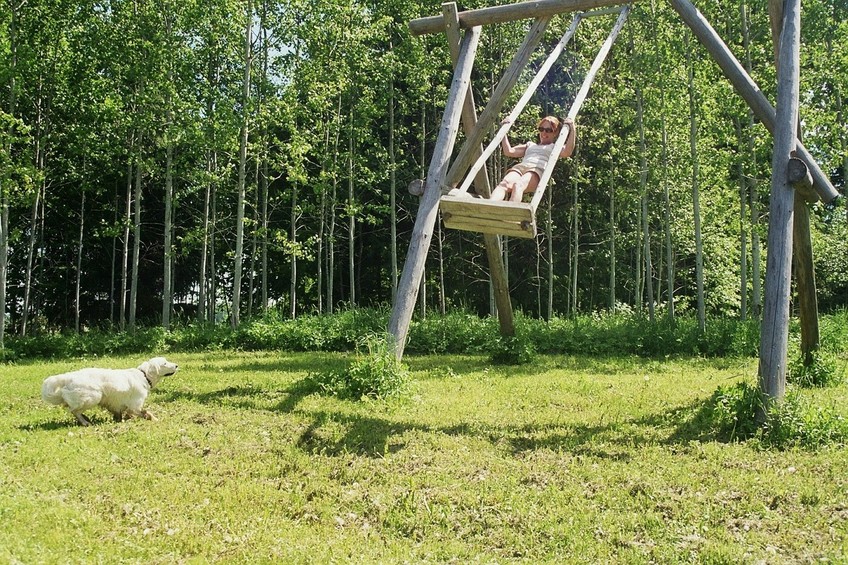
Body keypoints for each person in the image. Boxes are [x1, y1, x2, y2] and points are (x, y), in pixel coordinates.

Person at [490, 115, 576, 203]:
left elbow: (567, 152)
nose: (544, 133)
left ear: (555, 133)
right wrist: (503, 131)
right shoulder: (530, 145)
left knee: (518, 185)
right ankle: (488, 208)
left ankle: (510, 215)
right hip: (522, 167)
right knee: (503, 184)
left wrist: (572, 128)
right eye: (541, 129)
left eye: (548, 130)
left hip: (536, 170)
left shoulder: (554, 147)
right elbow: (509, 151)